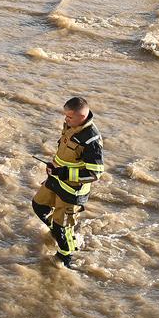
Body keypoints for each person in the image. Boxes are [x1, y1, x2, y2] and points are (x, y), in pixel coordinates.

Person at [32, 96, 105, 266]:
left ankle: (65, 257)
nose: (65, 119)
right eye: (65, 116)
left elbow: (95, 173)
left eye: (69, 117)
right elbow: (64, 151)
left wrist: (64, 173)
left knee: (60, 228)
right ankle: (62, 231)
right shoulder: (70, 126)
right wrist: (53, 166)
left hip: (72, 191)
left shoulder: (91, 140)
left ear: (83, 116)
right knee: (38, 206)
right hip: (56, 178)